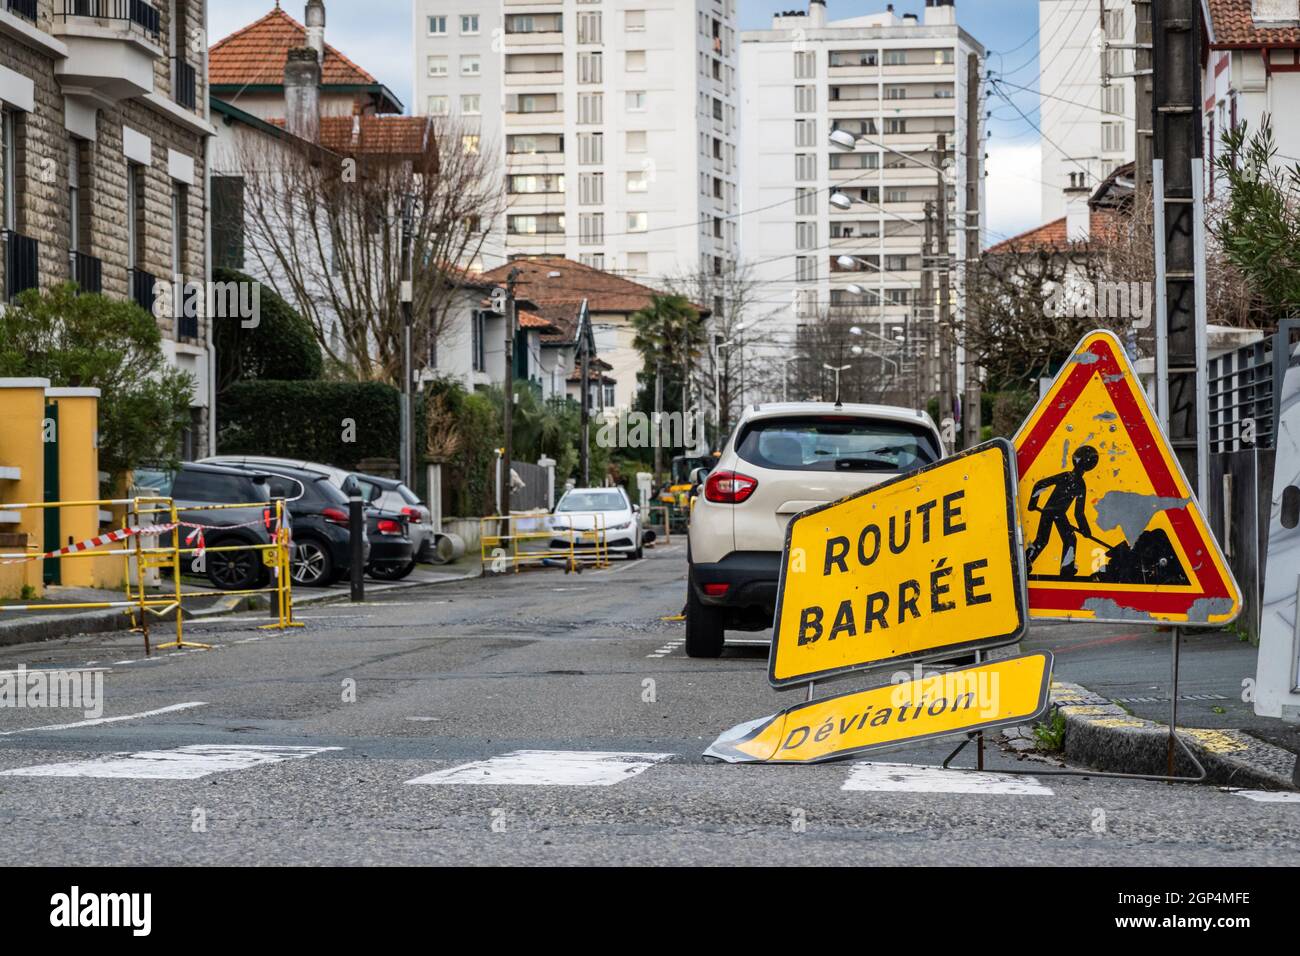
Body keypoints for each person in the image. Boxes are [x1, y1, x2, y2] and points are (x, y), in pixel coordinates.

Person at [1025, 445, 1100, 577]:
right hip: (1056, 513)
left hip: (1050, 512)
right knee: (1069, 540)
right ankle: (1066, 569)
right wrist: (1085, 530)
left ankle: (1025, 563)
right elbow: (1079, 513)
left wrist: (1033, 503)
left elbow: (1039, 485)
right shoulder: (1078, 483)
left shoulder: (1069, 478)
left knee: (1042, 540)